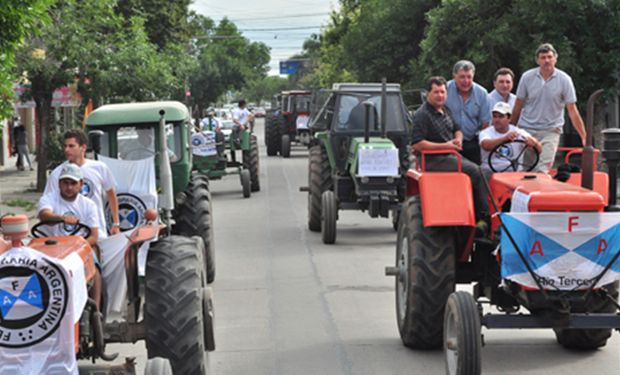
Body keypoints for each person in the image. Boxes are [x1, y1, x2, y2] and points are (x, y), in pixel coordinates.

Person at [411, 76, 488, 230]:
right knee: (477, 172)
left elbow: (457, 129)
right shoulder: (422, 114)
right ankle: (484, 217)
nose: (440, 96)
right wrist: (445, 145)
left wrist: (458, 139)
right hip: (433, 160)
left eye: (443, 92)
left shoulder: (446, 110)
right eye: (436, 92)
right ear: (428, 94)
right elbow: (417, 144)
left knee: (487, 172)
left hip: (450, 155)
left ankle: (475, 208)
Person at [511, 43, 586, 173]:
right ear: (537, 60)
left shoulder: (564, 80)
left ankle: (539, 190)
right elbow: (518, 106)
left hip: (550, 130)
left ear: (555, 59)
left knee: (542, 169)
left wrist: (584, 137)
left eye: (549, 57)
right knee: (526, 170)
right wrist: (510, 128)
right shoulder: (527, 77)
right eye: (543, 57)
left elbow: (572, 111)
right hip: (527, 128)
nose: (547, 60)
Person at [37, 163, 103, 309]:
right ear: (59, 184)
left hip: (80, 247)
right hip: (51, 247)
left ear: (81, 184)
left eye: (73, 183)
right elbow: (44, 214)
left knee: (95, 270)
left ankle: (96, 311)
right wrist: (61, 218)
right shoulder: (49, 199)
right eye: (65, 183)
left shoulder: (88, 205)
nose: (69, 187)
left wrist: (78, 248)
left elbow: (93, 236)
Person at [44, 128, 120, 238]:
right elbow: (48, 204)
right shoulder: (57, 174)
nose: (66, 150)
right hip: (69, 234)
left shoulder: (99, 168)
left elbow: (111, 193)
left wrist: (116, 223)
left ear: (83, 147)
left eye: (71, 146)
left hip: (96, 231)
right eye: (65, 146)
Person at [445, 60, 491, 164]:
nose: (466, 81)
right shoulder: (445, 90)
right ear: (454, 76)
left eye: (469, 77)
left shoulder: (482, 93)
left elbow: (485, 123)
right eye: (462, 77)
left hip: (472, 141)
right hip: (449, 141)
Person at [480, 102, 542, 172]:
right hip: (490, 171)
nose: (497, 120)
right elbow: (485, 145)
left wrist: (534, 143)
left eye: (501, 117)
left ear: (509, 118)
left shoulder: (518, 132)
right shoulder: (486, 132)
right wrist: (504, 138)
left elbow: (539, 149)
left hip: (513, 173)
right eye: (495, 116)